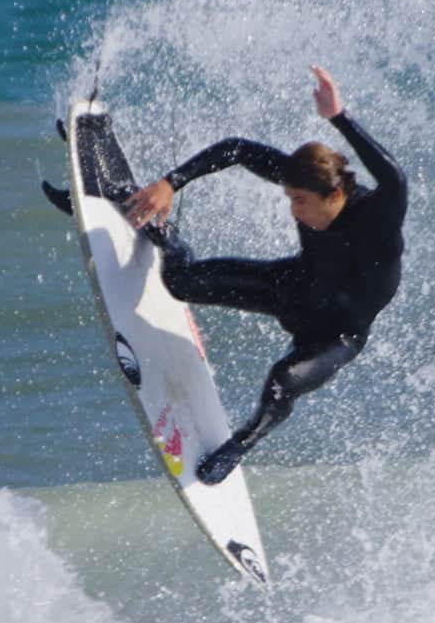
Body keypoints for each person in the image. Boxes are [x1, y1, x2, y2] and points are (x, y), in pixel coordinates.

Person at [125, 66, 408, 484]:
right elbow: (238, 150)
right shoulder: (306, 184)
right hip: (293, 288)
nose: (294, 210)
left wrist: (338, 117)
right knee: (180, 283)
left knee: (282, 381)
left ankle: (241, 444)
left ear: (335, 195)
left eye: (301, 201)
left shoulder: (377, 218)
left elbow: (395, 178)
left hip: (335, 336)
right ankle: (157, 227)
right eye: (289, 198)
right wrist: (173, 181)